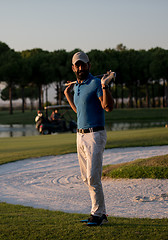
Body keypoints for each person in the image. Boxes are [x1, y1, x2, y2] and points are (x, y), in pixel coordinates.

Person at [64, 51, 115, 226]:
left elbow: (108, 107)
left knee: (93, 176)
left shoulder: (95, 83)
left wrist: (105, 86)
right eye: (77, 65)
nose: (80, 68)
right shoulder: (77, 86)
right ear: (73, 68)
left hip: (95, 135)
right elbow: (80, 111)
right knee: (86, 178)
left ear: (89, 66)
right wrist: (68, 95)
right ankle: (101, 213)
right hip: (80, 135)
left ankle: (98, 213)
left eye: (83, 64)